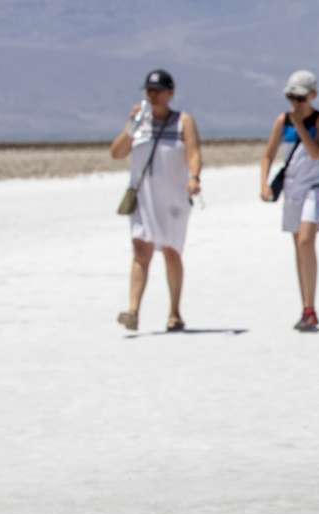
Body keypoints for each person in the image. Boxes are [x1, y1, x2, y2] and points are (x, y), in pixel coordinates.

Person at [109, 69, 201, 332]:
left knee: (171, 252)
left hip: (173, 200)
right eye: (149, 90)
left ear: (170, 93)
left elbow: (194, 152)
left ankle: (174, 312)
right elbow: (116, 153)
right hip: (143, 198)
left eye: (158, 90)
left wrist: (194, 177)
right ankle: (133, 311)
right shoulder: (139, 122)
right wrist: (131, 125)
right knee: (140, 251)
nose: (153, 95)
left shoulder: (184, 121)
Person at [259, 70, 319, 332]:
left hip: (316, 187)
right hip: (292, 190)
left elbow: (315, 153)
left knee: (306, 240)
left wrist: (301, 125)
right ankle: (306, 308)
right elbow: (267, 155)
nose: (296, 104)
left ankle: (310, 307)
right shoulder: (282, 121)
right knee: (298, 248)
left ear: (313, 96)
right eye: (292, 97)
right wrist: (264, 183)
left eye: (300, 98)